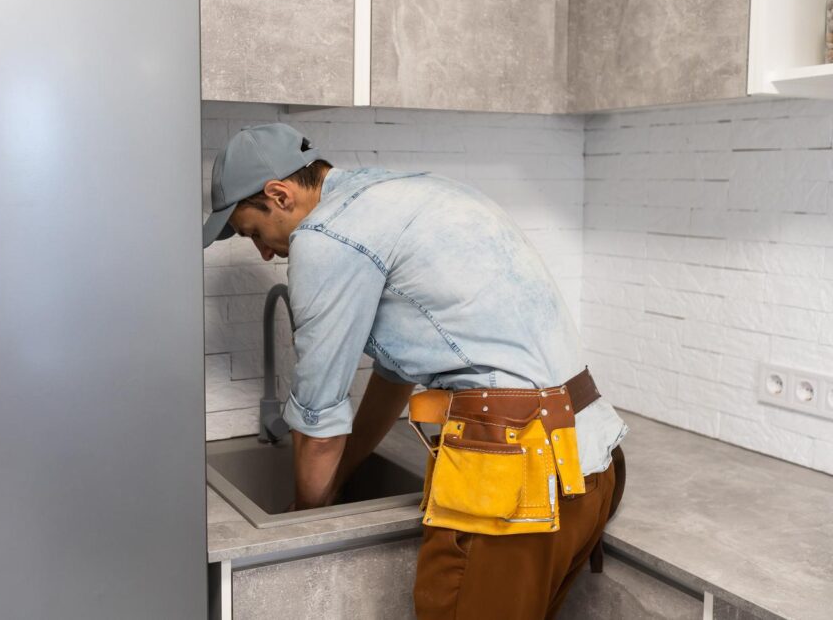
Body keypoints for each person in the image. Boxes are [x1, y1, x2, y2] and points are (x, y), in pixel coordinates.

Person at [202, 122, 629, 619]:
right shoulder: (408, 192)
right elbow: (395, 375)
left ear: (279, 195)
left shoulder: (325, 238)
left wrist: (305, 517)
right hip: (590, 466)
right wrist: (340, 478)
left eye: (254, 232)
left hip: (514, 482)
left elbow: (318, 427)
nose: (264, 251)